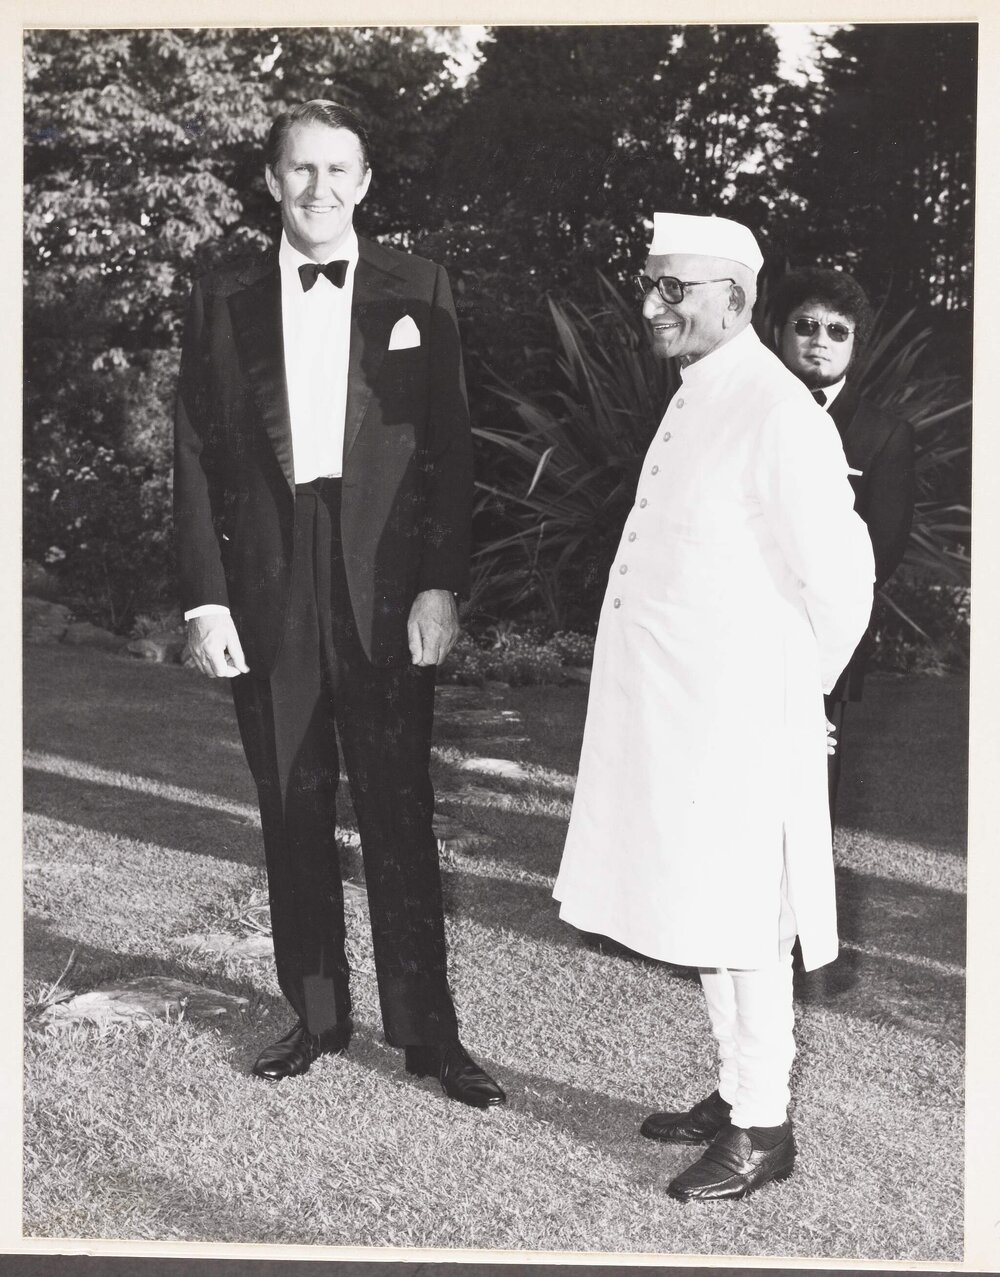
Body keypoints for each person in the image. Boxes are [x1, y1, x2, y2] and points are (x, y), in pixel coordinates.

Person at [173, 99, 505, 1108]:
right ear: (271, 181)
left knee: (398, 808)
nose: (319, 189)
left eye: (338, 171)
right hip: (270, 572)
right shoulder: (220, 289)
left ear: (364, 182)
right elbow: (192, 450)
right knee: (293, 801)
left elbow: (450, 449)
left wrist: (442, 583)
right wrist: (205, 598)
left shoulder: (420, 288)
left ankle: (427, 1033)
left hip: (387, 581)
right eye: (299, 170)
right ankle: (314, 1013)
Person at [553, 213, 874, 1201]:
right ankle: (737, 1090)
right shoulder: (706, 391)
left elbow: (843, 581)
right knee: (707, 910)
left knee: (746, 923)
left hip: (740, 717)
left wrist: (791, 694)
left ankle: (762, 1129)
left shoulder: (777, 409)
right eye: (648, 285)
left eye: (673, 289)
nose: (650, 305)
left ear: (734, 299)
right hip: (684, 714)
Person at [772, 268, 916, 823]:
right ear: (778, 330)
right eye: (805, 325)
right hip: (737, 619)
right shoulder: (748, 412)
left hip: (823, 631)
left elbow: (883, 548)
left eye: (838, 330)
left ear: (857, 344)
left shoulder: (884, 432)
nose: (819, 340)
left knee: (812, 762)